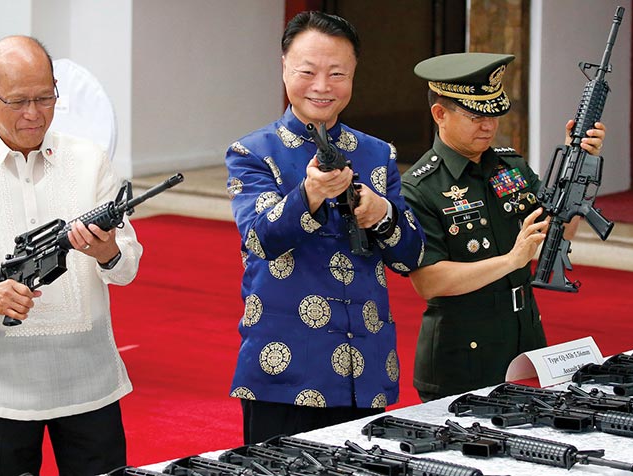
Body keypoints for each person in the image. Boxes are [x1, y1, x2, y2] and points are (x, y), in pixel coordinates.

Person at [225, 11, 426, 444]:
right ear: (283, 68)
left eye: (337, 73)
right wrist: (309, 195)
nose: (322, 86)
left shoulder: (378, 154)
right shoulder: (253, 152)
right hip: (283, 366)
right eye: (308, 71)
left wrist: (381, 215)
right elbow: (260, 238)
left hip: (366, 362)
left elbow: (411, 257)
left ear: (354, 75)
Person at [0, 36, 142, 475]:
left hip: (90, 383)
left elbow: (127, 268)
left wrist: (108, 250)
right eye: (18, 101)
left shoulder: (89, 160)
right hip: (3, 390)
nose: (34, 114)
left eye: (45, 97)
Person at [401, 53, 606, 401]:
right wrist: (512, 260)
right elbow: (428, 281)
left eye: (494, 114)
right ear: (440, 114)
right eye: (476, 116)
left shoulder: (508, 167)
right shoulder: (420, 187)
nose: (489, 126)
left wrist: (579, 167)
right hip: (463, 354)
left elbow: (560, 233)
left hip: (524, 338)